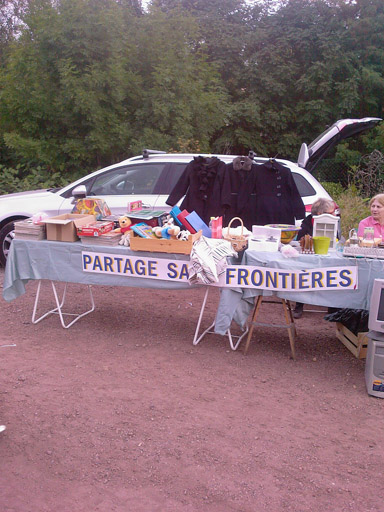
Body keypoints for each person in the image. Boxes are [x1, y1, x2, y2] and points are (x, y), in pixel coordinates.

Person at [293, 197, 337, 319]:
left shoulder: (334, 222)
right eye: (331, 213)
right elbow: (300, 240)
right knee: (303, 272)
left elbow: (336, 239)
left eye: (334, 212)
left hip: (328, 255)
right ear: (319, 214)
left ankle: (333, 307)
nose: (334, 215)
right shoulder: (306, 222)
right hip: (309, 257)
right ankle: (299, 304)